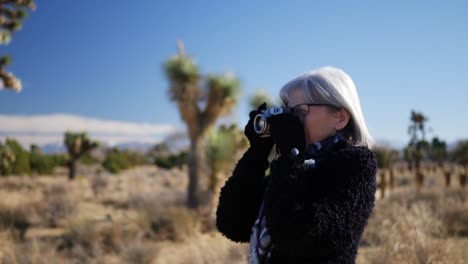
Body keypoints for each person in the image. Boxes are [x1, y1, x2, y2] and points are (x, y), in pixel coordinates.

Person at [216, 67, 377, 264]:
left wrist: (290, 153)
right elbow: (232, 222)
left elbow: (295, 232)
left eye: (301, 112)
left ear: (340, 118)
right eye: (289, 112)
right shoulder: (295, 165)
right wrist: (258, 152)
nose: (292, 121)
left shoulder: (356, 164)